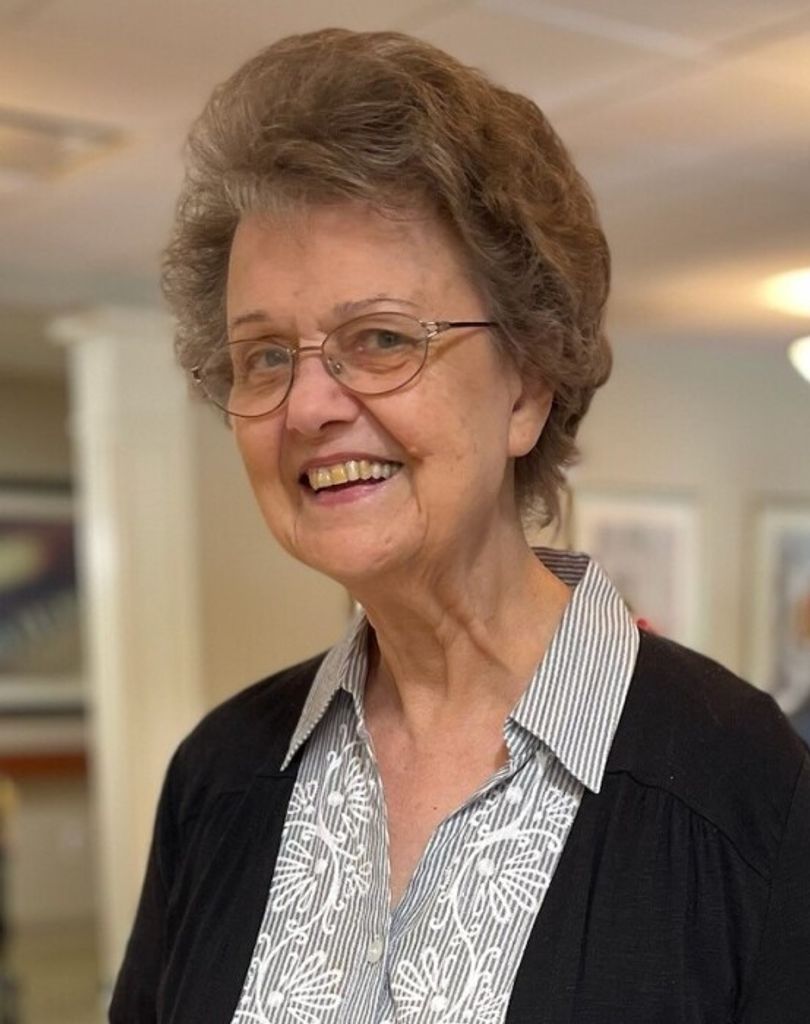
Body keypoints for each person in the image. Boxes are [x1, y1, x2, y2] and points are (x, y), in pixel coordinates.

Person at [110, 28, 810, 1024]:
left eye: (380, 338)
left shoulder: (748, 787)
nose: (307, 406)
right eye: (264, 356)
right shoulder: (217, 777)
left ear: (526, 385)